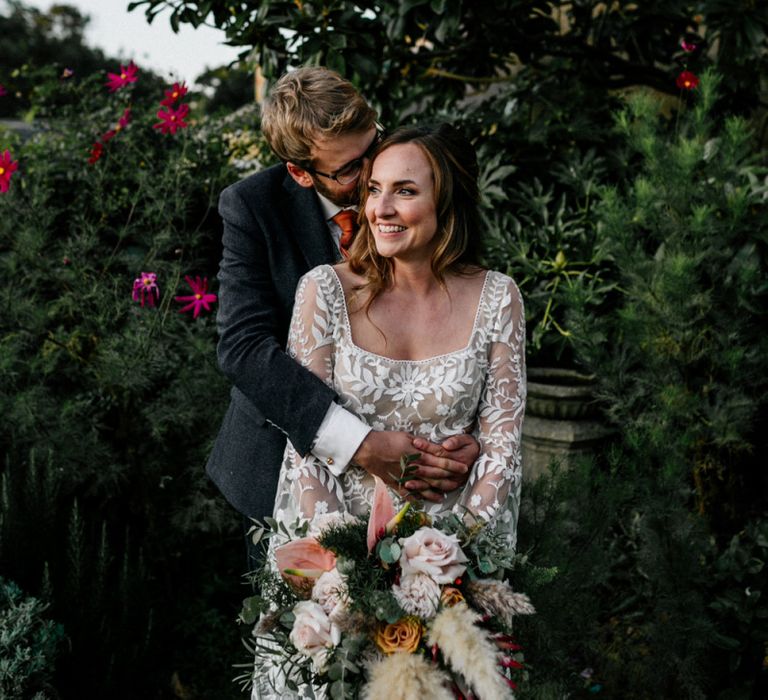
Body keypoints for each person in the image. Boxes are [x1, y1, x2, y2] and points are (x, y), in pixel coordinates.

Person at [254, 123, 526, 699]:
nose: (380, 207)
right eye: (374, 188)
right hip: (336, 581)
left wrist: (447, 572)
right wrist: (345, 579)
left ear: (446, 200)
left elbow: (501, 446)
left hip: (452, 578)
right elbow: (304, 451)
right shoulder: (323, 292)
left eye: (405, 190)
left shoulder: (499, 297)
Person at [206, 67, 480, 563]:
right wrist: (360, 445)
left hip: (422, 484)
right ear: (300, 172)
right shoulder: (251, 207)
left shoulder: (413, 174)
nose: (373, 173)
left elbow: (460, 306)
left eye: (372, 144)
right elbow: (244, 350)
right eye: (350, 170)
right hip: (284, 469)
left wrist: (470, 438)